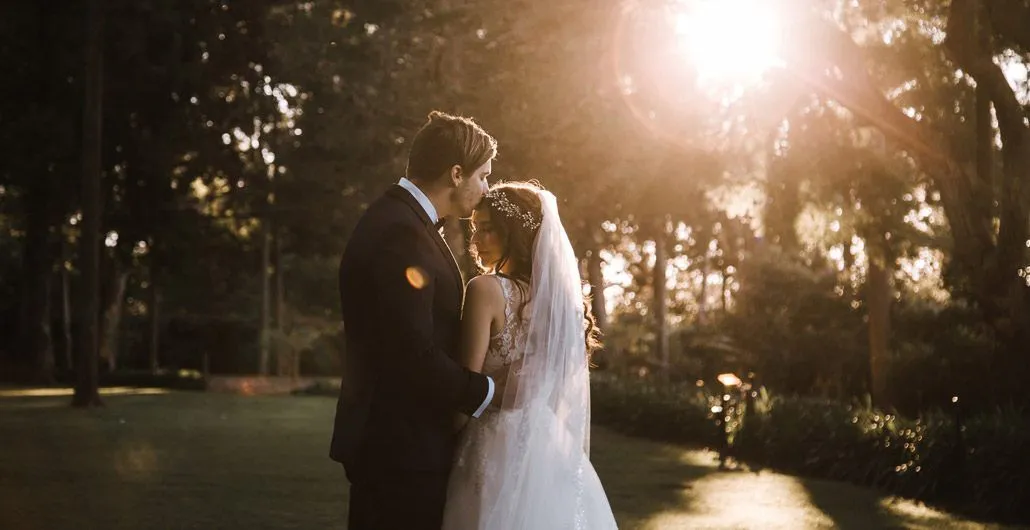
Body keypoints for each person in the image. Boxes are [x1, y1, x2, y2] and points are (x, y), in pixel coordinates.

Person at [330, 111, 502, 530]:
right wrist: (485, 391)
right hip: (398, 449)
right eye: (483, 176)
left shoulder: (403, 221)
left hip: (402, 445)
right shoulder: (401, 232)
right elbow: (410, 351)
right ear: (456, 174)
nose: (486, 189)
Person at [442, 181, 618, 529]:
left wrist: (446, 433)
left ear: (517, 235)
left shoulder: (484, 290)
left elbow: (466, 390)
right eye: (475, 229)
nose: (477, 240)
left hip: (489, 444)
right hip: (547, 445)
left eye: (489, 229)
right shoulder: (558, 302)